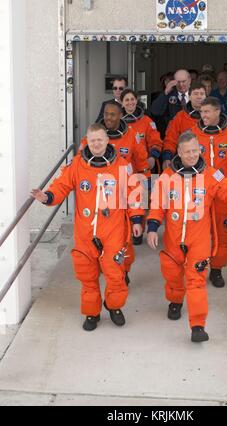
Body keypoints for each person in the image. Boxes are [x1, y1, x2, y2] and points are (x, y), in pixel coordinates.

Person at [31, 124, 145, 331]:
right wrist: (47, 196)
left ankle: (114, 306)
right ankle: (92, 313)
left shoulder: (122, 165)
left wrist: (137, 220)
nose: (96, 144)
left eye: (100, 139)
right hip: (85, 231)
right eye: (92, 140)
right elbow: (61, 185)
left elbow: (134, 194)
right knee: (87, 274)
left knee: (115, 273)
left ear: (107, 140)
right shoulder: (77, 165)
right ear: (87, 141)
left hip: (113, 229)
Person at [147, 131, 227, 342]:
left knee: (196, 280)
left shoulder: (210, 174)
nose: (192, 155)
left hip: (199, 238)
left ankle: (198, 325)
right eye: (187, 152)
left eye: (195, 150)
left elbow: (226, 192)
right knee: (173, 274)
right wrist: (152, 227)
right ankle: (176, 301)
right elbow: (158, 204)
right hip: (174, 237)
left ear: (200, 150)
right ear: (179, 152)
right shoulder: (167, 176)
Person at [79, 102, 151, 275]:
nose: (108, 117)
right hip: (99, 195)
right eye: (106, 113)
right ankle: (104, 265)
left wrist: (145, 183)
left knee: (124, 238)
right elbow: (80, 160)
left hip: (123, 193)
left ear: (120, 115)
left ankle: (124, 270)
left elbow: (141, 161)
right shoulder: (94, 135)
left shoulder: (131, 135)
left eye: (112, 114)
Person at [189, 97, 227, 287]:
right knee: (195, 233)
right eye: (201, 112)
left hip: (223, 190)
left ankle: (216, 269)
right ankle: (194, 268)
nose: (204, 115)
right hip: (199, 191)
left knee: (220, 233)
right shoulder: (193, 133)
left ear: (218, 111)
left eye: (207, 112)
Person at [121, 88, 163, 245]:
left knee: (143, 202)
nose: (130, 103)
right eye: (127, 100)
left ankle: (138, 232)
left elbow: (156, 140)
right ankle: (129, 230)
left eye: (132, 99)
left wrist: (153, 156)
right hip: (124, 168)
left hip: (143, 167)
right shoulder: (118, 122)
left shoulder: (147, 121)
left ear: (136, 101)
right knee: (126, 201)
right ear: (122, 103)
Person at [162, 82, 207, 169]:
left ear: (206, 96)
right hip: (186, 164)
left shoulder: (213, 117)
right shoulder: (180, 117)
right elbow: (171, 139)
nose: (199, 97)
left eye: (202, 94)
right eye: (195, 94)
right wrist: (167, 157)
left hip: (208, 163)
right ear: (189, 96)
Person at [150, 69, 192, 139]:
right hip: (173, 136)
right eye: (178, 82)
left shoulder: (196, 93)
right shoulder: (168, 95)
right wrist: (165, 92)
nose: (181, 85)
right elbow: (155, 111)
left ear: (189, 80)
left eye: (183, 81)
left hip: (192, 134)